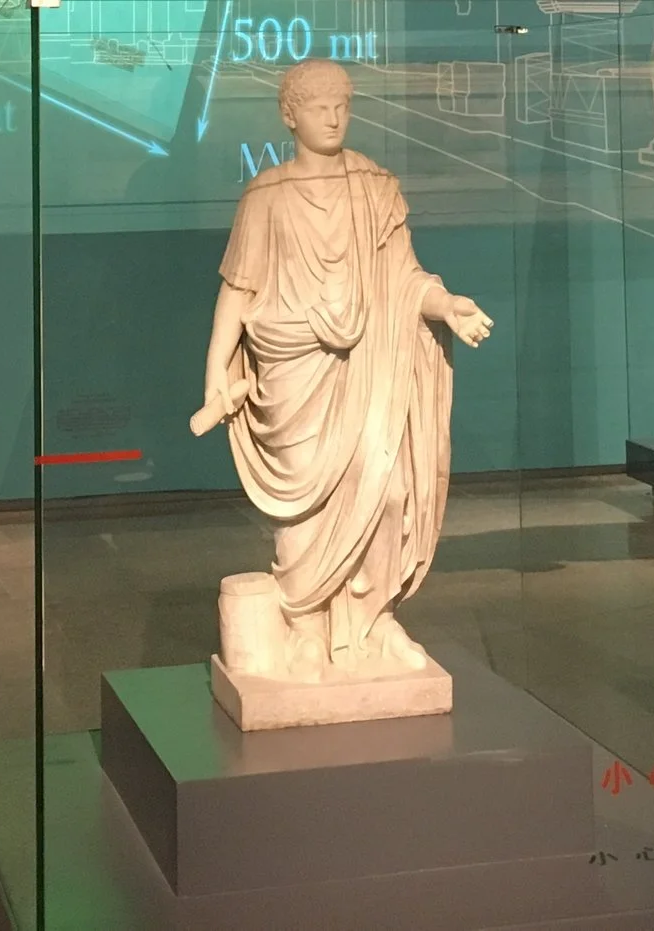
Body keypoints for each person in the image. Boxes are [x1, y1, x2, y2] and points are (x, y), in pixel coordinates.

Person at [192, 58, 491, 674]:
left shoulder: (375, 187)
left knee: (389, 493)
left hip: (367, 366)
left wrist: (445, 305)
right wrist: (215, 372)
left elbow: (405, 277)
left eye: (342, 105)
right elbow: (239, 290)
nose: (332, 117)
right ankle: (304, 628)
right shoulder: (267, 195)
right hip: (292, 370)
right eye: (318, 106)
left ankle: (374, 623)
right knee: (304, 507)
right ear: (289, 114)